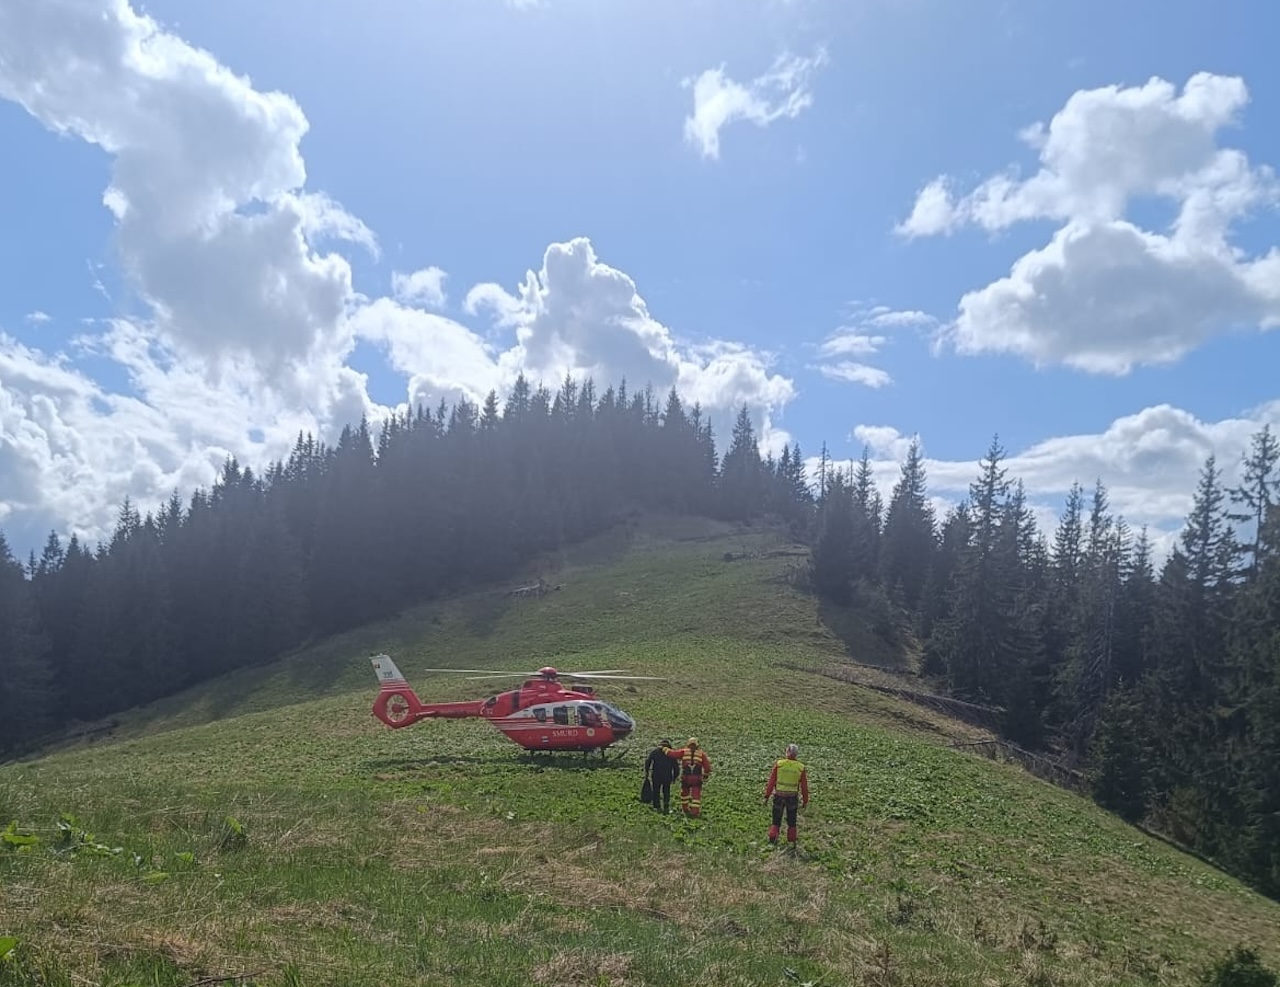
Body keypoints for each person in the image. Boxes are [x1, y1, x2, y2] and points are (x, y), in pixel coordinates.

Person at [763, 743, 809, 847]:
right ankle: (792, 841)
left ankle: (772, 839)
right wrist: (805, 800)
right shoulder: (800, 767)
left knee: (776, 819)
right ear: (796, 754)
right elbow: (804, 787)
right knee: (792, 820)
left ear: (787, 752)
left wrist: (766, 796)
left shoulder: (779, 764)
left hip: (779, 796)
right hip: (792, 798)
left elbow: (771, 782)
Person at [666, 737, 712, 817]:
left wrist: (664, 749)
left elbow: (672, 754)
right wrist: (705, 775)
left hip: (686, 777)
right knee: (696, 795)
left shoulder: (684, 752)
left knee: (684, 793)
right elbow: (707, 767)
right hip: (697, 778)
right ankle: (695, 812)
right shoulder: (701, 754)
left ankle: (685, 809)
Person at [643, 739, 678, 813]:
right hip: (667, 776)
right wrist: (675, 777)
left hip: (656, 775)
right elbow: (676, 767)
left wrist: (647, 772)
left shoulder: (655, 752)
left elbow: (648, 761)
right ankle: (666, 806)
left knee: (656, 790)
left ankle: (656, 806)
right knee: (666, 791)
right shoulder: (671, 753)